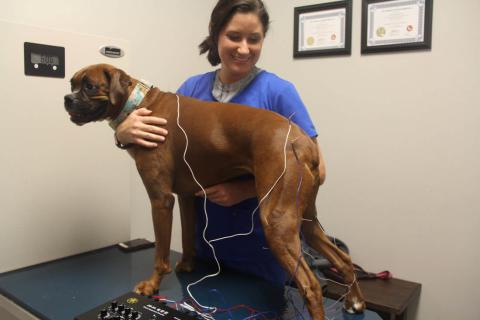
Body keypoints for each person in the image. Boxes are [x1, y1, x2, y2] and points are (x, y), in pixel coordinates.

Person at [115, 0, 326, 285]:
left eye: (254, 39)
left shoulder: (279, 93)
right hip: (203, 255)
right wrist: (122, 134)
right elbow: (162, 162)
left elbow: (316, 171)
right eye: (234, 36)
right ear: (216, 35)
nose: (243, 49)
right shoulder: (191, 89)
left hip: (262, 255)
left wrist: (244, 190)